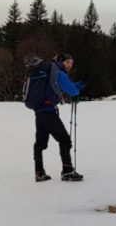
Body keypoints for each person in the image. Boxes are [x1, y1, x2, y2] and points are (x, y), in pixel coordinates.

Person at [32, 54, 84, 182]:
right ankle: (67, 171)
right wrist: (77, 90)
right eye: (67, 62)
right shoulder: (59, 73)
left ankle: (39, 172)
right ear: (61, 62)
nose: (70, 66)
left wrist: (79, 84)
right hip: (48, 111)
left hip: (40, 110)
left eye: (71, 63)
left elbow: (68, 87)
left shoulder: (52, 72)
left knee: (40, 142)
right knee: (65, 140)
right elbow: (72, 91)